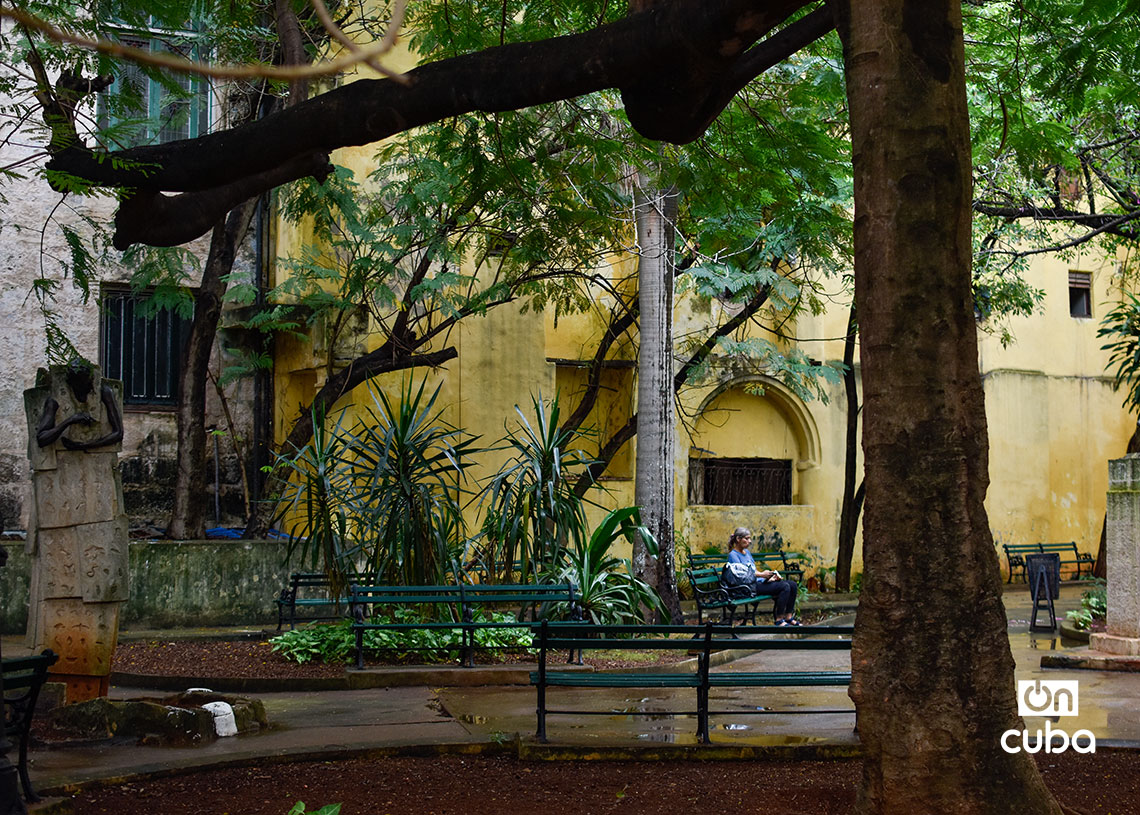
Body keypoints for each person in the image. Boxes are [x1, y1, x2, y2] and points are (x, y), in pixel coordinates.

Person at [726, 527, 800, 626]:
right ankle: (779, 619)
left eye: (749, 538)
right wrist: (761, 575)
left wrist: (767, 577)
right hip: (747, 587)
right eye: (747, 538)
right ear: (738, 539)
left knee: (792, 585)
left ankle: (788, 617)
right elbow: (742, 574)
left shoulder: (747, 553)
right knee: (784, 587)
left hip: (757, 582)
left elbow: (753, 570)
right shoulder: (733, 555)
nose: (750, 541)